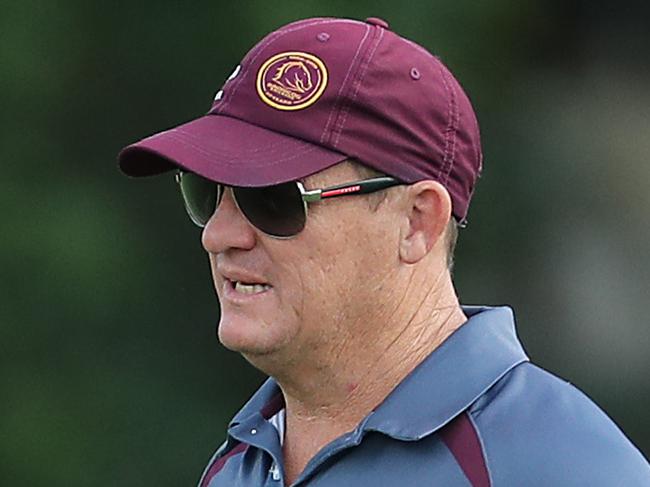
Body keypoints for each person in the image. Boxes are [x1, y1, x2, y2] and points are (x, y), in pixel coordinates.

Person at [118, 16, 650, 487]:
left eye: (273, 199)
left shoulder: (557, 466)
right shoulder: (237, 465)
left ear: (418, 221)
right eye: (207, 192)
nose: (218, 234)